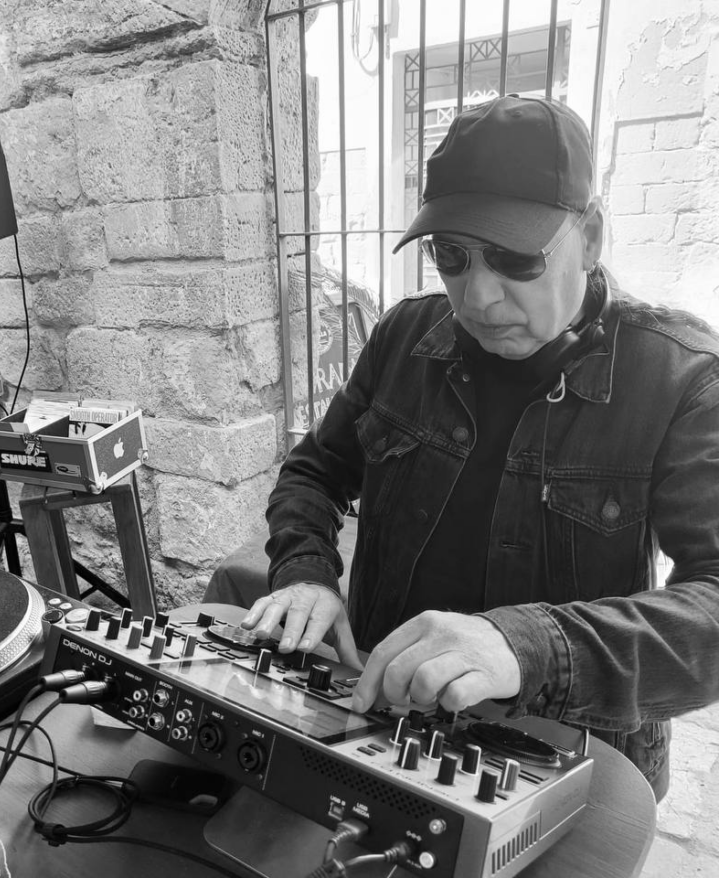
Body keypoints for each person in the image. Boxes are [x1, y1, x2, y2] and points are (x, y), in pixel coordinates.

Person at [238, 94, 719, 799]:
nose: (478, 297)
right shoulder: (405, 337)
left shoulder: (680, 378)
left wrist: (527, 648)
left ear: (590, 237)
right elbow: (315, 470)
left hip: (571, 761)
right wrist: (306, 570)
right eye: (451, 256)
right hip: (384, 719)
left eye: (514, 259)